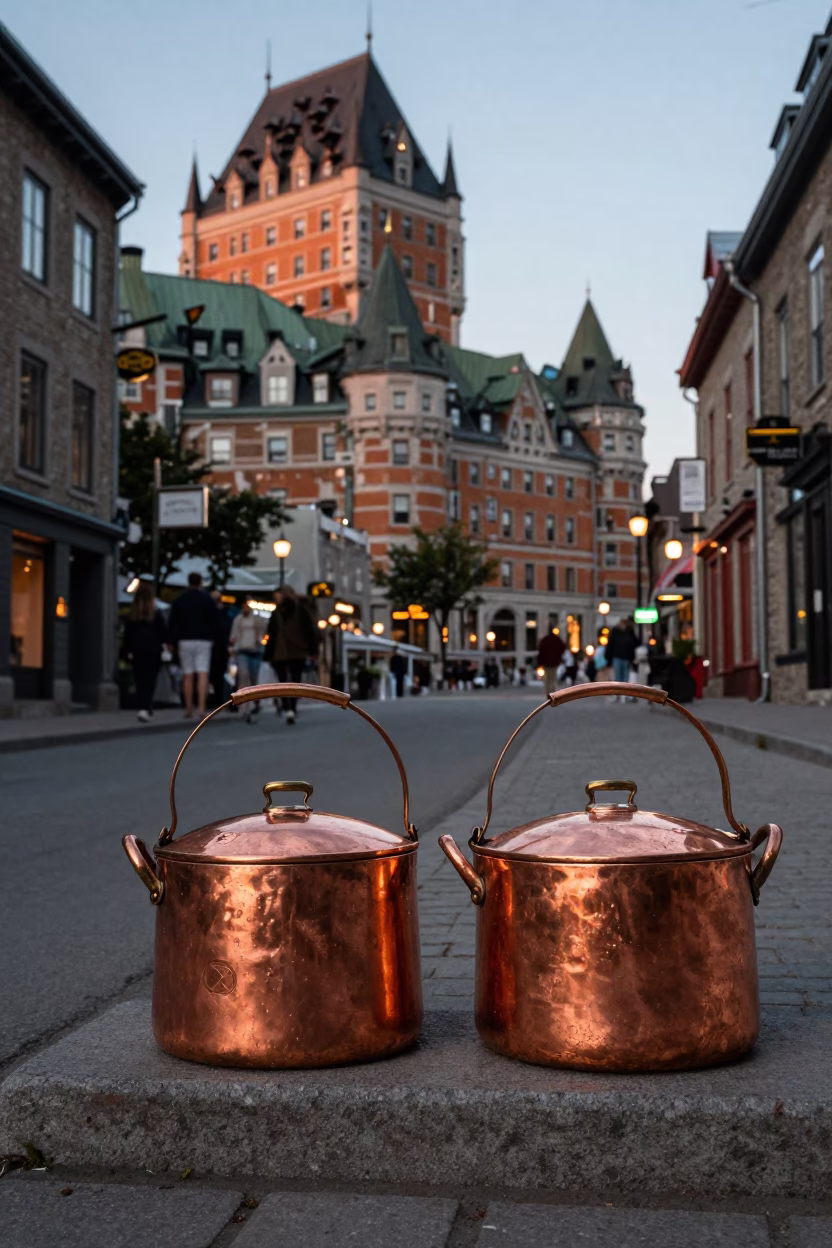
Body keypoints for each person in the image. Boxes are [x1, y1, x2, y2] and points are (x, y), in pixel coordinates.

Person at [262, 585, 318, 724]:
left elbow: (271, 634)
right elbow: (310, 631)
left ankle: (288, 706)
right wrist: (313, 650)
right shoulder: (298, 610)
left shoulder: (281, 612)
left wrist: (268, 653)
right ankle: (290, 707)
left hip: (282, 651)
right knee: (294, 680)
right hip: (295, 650)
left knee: (284, 681)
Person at [168, 571, 218, 720]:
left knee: (187, 674)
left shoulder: (180, 600)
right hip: (203, 639)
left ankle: (189, 708)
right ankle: (201, 708)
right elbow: (215, 621)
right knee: (203, 673)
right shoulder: (207, 600)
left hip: (185, 639)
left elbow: (173, 621)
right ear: (200, 582)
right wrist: (214, 637)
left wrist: (172, 640)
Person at [123, 579, 166, 723]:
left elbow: (127, 635)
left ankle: (142, 706)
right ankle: (146, 706)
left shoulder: (132, 615)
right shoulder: (156, 615)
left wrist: (126, 651)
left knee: (139, 679)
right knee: (150, 680)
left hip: (137, 651)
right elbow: (163, 633)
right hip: (153, 651)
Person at [230, 600, 265, 722]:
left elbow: (262, 633)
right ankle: (245, 704)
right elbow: (233, 635)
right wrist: (233, 647)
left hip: (255, 650)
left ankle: (255, 701)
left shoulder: (257, 620)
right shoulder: (238, 620)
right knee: (243, 676)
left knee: (253, 676)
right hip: (242, 651)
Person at [209, 590, 233, 709]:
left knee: (219, 675)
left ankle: (219, 699)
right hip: (221, 648)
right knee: (220, 676)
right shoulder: (225, 615)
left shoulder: (217, 615)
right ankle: (219, 699)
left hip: (219, 649)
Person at [606, 617, 638, 698]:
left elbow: (634, 642)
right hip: (617, 656)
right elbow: (611, 644)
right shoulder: (615, 631)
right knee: (618, 676)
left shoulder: (629, 631)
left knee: (625, 676)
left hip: (626, 657)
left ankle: (623, 693)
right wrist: (608, 656)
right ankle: (619, 693)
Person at [536, 629, 567, 696]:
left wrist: (540, 663)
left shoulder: (544, 640)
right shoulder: (557, 639)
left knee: (547, 678)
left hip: (546, 663)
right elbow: (563, 647)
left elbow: (541, 651)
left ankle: (548, 693)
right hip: (554, 662)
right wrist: (559, 656)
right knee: (553, 678)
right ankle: (553, 693)